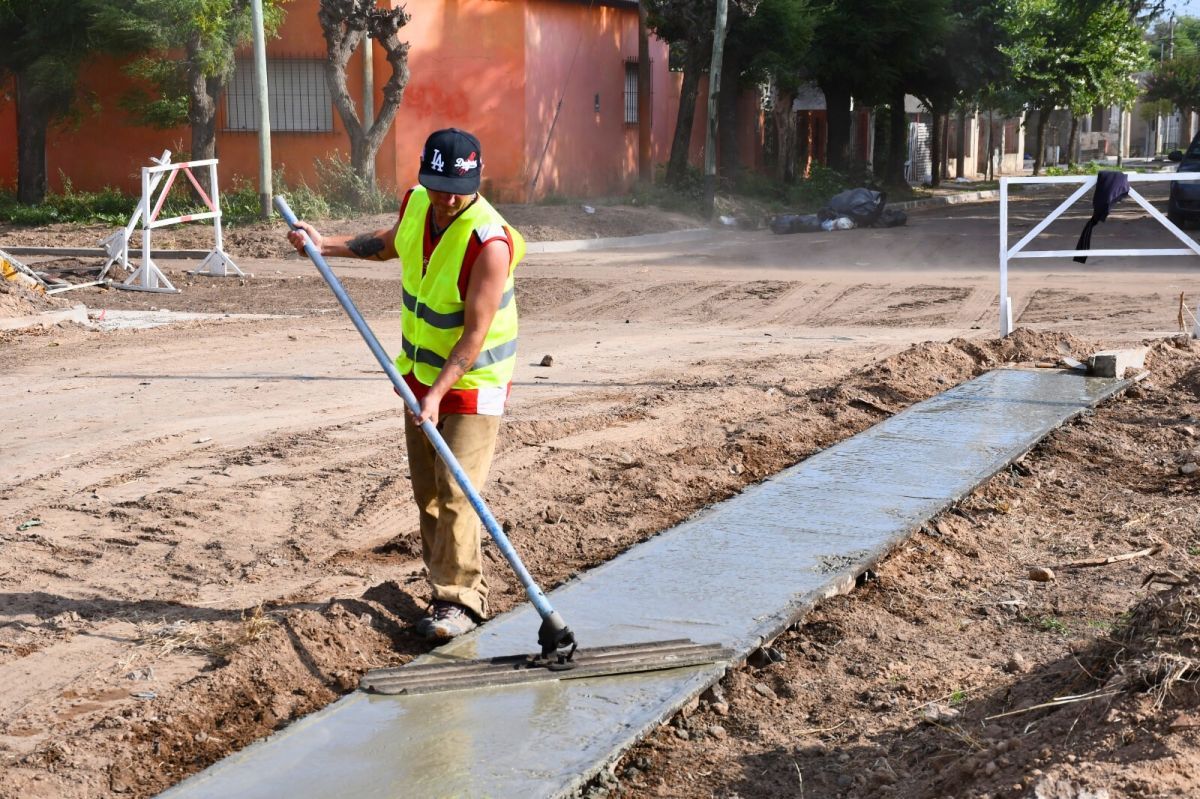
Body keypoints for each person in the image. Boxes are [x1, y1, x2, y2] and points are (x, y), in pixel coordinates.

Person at [287, 128, 525, 639]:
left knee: (459, 490)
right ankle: (442, 588)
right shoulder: (418, 203)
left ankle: (461, 600)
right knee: (429, 495)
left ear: (476, 181)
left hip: (472, 380)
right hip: (417, 376)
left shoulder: (489, 241)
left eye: (456, 188)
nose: (446, 197)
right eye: (437, 185)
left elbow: (474, 335)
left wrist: (438, 395)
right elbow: (388, 244)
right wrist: (321, 243)